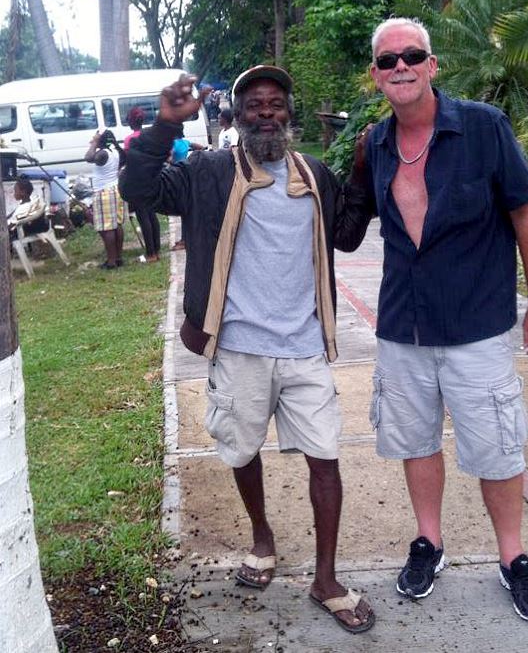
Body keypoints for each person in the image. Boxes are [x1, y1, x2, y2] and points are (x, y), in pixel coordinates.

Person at [120, 66, 375, 634]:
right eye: (254, 103)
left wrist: (361, 169)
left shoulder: (314, 175)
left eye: (275, 102)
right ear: (237, 116)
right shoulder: (208, 172)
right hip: (237, 347)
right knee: (240, 450)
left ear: (289, 113)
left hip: (305, 345)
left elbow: (349, 234)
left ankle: (326, 578)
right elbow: (138, 190)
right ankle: (263, 539)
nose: (266, 111)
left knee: (325, 457)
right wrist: (164, 124)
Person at [355, 17, 528, 621]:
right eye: (388, 61)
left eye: (411, 55)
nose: (401, 67)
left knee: (497, 447)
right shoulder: (375, 145)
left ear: (432, 64)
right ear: (376, 75)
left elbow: (527, 216)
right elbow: (344, 220)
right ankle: (429, 543)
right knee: (415, 444)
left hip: (476, 324)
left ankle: (513, 557)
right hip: (404, 326)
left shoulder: (484, 129)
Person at [124, 107, 161, 263]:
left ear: (131, 122)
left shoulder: (129, 140)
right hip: (153, 178)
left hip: (137, 180)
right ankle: (157, 249)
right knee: (152, 213)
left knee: (142, 215)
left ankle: (151, 253)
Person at [85, 129, 125, 269]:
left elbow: (88, 157)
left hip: (104, 193)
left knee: (107, 228)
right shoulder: (114, 152)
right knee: (116, 225)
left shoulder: (102, 153)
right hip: (114, 190)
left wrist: (94, 143)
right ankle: (118, 257)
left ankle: (111, 261)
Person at [7, 175, 48, 241]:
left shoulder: (23, 208)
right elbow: (11, 215)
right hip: (32, 229)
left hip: (20, 232)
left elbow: (10, 226)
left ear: (23, 192)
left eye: (15, 191)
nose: (14, 194)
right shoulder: (31, 203)